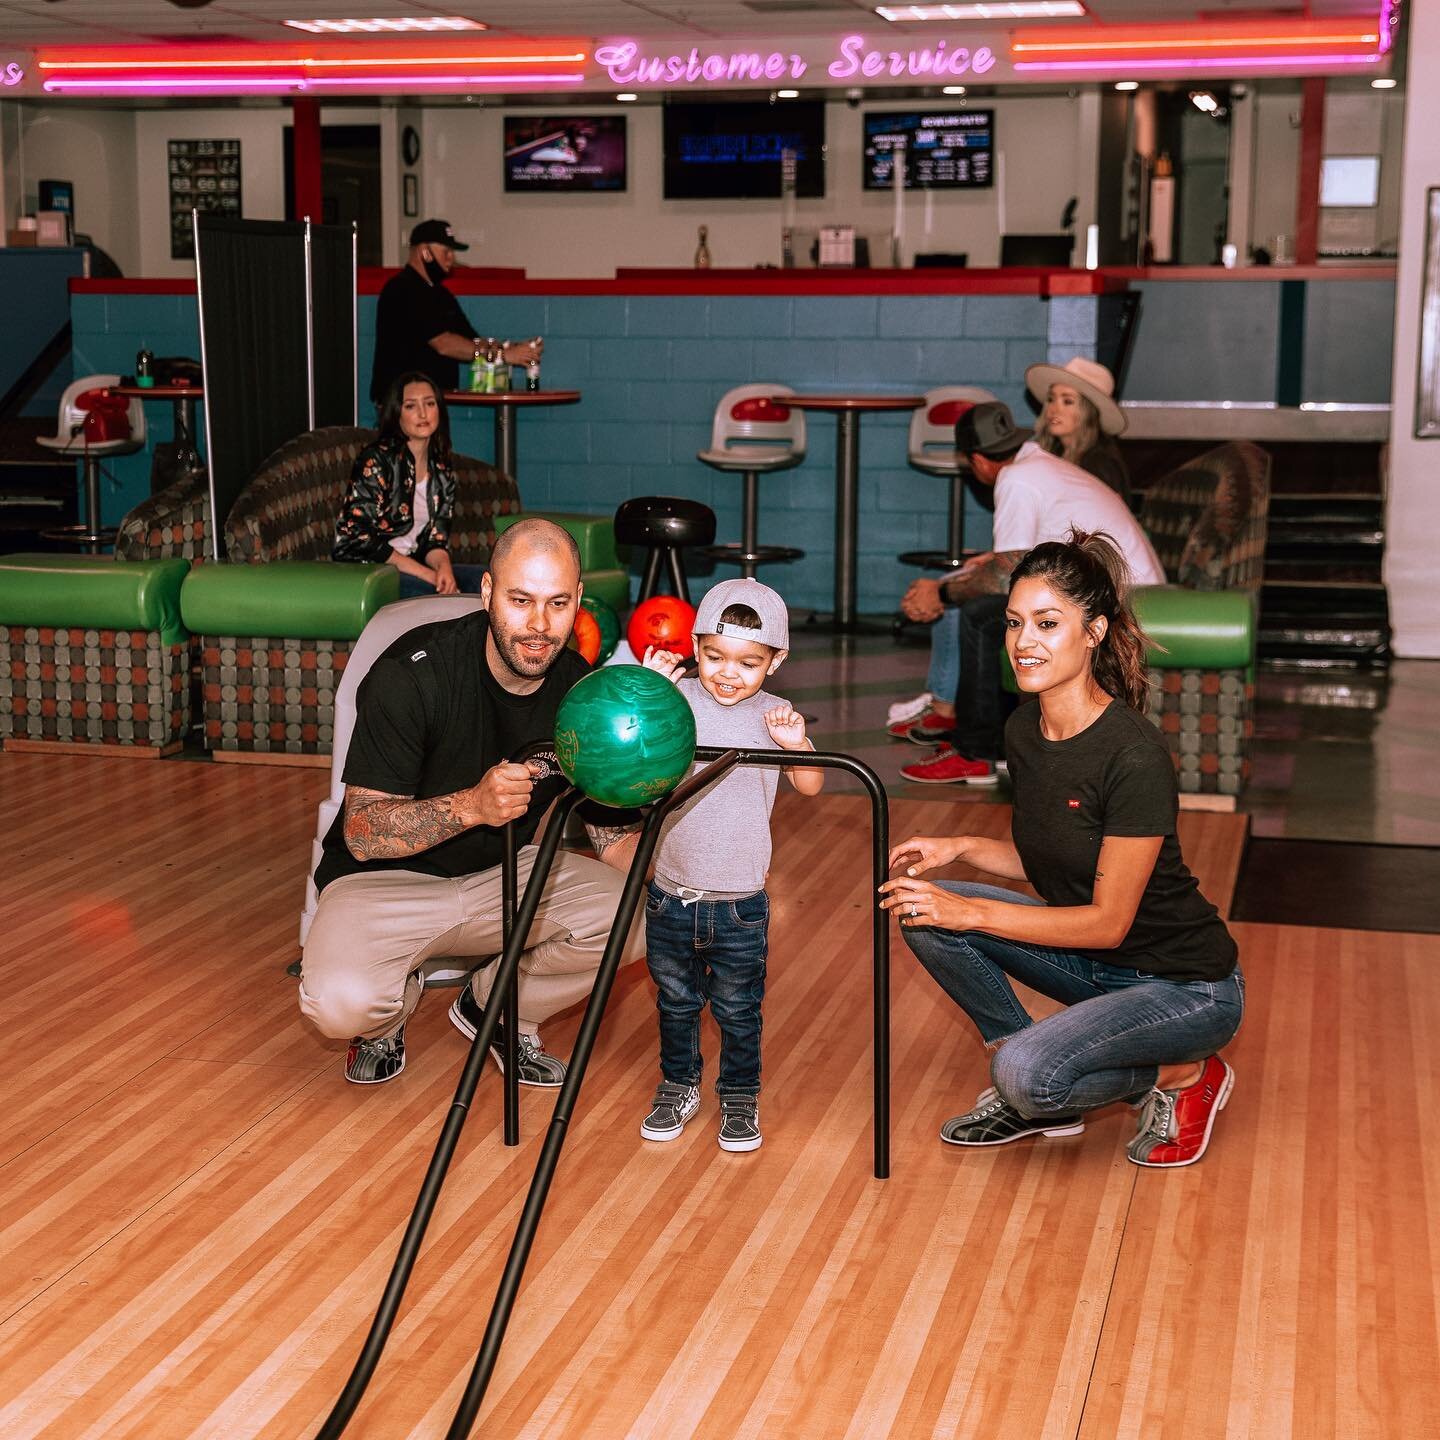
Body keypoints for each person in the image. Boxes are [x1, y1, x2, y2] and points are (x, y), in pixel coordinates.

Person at [880, 531, 1243, 1168]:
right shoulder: (1025, 727)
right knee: (921, 908)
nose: (1025, 642)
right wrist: (961, 847)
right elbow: (1056, 856)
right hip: (1096, 970)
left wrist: (973, 912)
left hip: (1184, 988)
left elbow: (1107, 922)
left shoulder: (1132, 756)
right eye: (1016, 623)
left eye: (1049, 624)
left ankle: (1179, 1074)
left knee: (1023, 1073)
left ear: (1094, 631)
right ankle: (1044, 1076)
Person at [300, 517, 645, 1085]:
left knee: (643, 915)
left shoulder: (578, 692)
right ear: (486, 592)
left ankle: (497, 1007)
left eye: (558, 603)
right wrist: (471, 806)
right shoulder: (411, 675)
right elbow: (361, 833)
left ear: (579, 600)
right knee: (340, 1004)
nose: (539, 626)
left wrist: (694, 896)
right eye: (520, 600)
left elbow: (613, 840)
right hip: (384, 881)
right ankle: (385, 1020)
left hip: (503, 873)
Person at [636, 578, 824, 1153]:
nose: (727, 673)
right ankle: (678, 1084)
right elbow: (631, 752)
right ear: (695, 648)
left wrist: (796, 746)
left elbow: (813, 787)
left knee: (740, 1010)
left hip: (741, 904)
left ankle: (740, 1097)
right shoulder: (677, 699)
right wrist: (648, 692)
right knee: (676, 1003)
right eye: (714, 656)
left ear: (776, 661)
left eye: (747, 662)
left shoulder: (775, 715)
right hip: (670, 895)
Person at [897, 400, 1163, 786]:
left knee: (980, 615)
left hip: (1127, 592)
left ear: (977, 460)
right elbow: (1015, 561)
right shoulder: (1038, 465)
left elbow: (1006, 576)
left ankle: (976, 752)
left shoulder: (1014, 478)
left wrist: (940, 592)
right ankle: (971, 724)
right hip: (1127, 583)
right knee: (979, 600)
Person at [334, 372, 484, 598]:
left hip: (412, 565)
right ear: (397, 414)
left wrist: (444, 571)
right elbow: (359, 536)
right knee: (432, 596)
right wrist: (428, 575)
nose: (423, 413)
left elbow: (436, 540)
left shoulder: (442, 470)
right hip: (368, 569)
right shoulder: (377, 460)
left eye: (430, 404)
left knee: (490, 582)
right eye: (411, 406)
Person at [369, 218, 541, 407]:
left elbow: (471, 341)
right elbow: (443, 343)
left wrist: (514, 349)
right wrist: (503, 355)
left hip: (430, 401)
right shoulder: (402, 289)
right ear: (425, 252)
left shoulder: (441, 294)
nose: (451, 258)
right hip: (401, 402)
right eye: (446, 251)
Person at [1027, 355, 1132, 509]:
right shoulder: (1054, 453)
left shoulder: (1100, 463)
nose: (1054, 409)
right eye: (1051, 399)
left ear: (1088, 411)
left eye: (1067, 401)